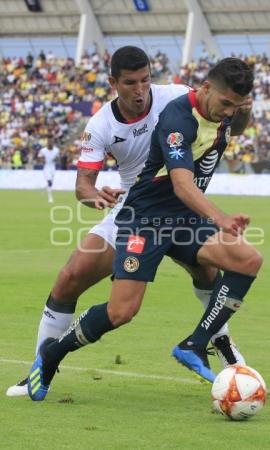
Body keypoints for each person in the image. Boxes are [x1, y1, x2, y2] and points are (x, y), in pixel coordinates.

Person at [7, 48, 249, 398]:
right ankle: (40, 369)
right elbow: (82, 186)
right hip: (132, 210)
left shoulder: (177, 97)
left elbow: (224, 125)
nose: (140, 90)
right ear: (113, 83)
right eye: (131, 83)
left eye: (146, 80)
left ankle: (222, 346)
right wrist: (94, 196)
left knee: (210, 273)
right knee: (71, 275)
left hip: (181, 207)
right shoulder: (102, 124)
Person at [38, 137, 60, 203]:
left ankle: (44, 189)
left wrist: (55, 159)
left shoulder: (56, 150)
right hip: (46, 167)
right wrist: (42, 160)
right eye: (49, 143)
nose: (50, 144)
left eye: (51, 143)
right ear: (47, 144)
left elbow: (58, 158)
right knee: (49, 182)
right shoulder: (43, 150)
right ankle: (50, 198)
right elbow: (39, 157)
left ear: (53, 144)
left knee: (51, 183)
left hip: (53, 167)